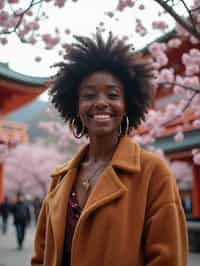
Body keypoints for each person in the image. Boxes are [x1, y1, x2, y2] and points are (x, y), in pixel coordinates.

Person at [31, 32, 188, 266]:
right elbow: (41, 257)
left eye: (113, 94)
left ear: (127, 105)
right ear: (76, 106)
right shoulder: (60, 179)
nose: (101, 102)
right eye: (89, 95)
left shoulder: (153, 173)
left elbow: (168, 260)